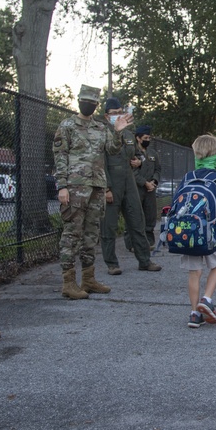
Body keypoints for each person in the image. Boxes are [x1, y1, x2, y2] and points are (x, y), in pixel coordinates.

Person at [54, 86, 126, 299]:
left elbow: (113, 150)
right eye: (85, 100)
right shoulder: (67, 126)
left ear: (96, 105)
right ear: (78, 101)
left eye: (93, 102)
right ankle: (68, 283)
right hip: (74, 188)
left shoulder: (101, 128)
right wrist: (62, 186)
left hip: (96, 188)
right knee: (71, 234)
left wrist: (118, 131)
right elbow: (60, 156)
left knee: (91, 235)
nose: (88, 104)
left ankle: (88, 279)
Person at [99, 97, 162, 275]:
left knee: (137, 221)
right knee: (109, 225)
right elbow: (100, 163)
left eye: (120, 112)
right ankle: (112, 263)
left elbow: (138, 155)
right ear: (106, 116)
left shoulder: (128, 134)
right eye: (114, 114)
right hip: (112, 182)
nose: (118, 116)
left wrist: (138, 161)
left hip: (129, 182)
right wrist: (106, 188)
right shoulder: (102, 133)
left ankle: (144, 260)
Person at [182, 134, 216, 328]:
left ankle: (194, 313)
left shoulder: (188, 177)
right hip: (210, 231)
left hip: (188, 231)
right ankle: (206, 299)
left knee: (194, 272)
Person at [134, 125, 162, 248]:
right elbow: (132, 172)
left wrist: (154, 182)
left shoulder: (152, 153)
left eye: (149, 137)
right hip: (137, 188)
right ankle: (133, 243)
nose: (148, 140)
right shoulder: (133, 152)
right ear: (138, 138)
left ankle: (149, 242)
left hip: (150, 188)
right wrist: (144, 183)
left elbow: (158, 169)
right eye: (145, 137)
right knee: (136, 215)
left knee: (150, 216)